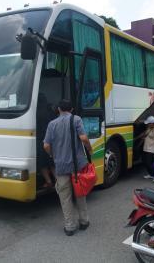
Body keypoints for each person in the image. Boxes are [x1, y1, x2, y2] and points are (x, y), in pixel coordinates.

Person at [43, 99, 93, 236]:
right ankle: (84, 221)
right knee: (80, 193)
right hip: (78, 165)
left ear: (58, 109)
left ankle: (70, 226)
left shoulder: (52, 124)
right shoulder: (76, 119)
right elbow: (83, 138)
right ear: (71, 109)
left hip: (61, 166)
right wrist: (89, 149)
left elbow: (46, 145)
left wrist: (53, 155)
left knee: (65, 197)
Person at [139, 116, 154, 181]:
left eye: (149, 123)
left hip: (152, 148)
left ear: (152, 123)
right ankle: (151, 174)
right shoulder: (149, 128)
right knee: (145, 162)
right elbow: (145, 134)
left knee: (148, 163)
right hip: (146, 148)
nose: (148, 124)